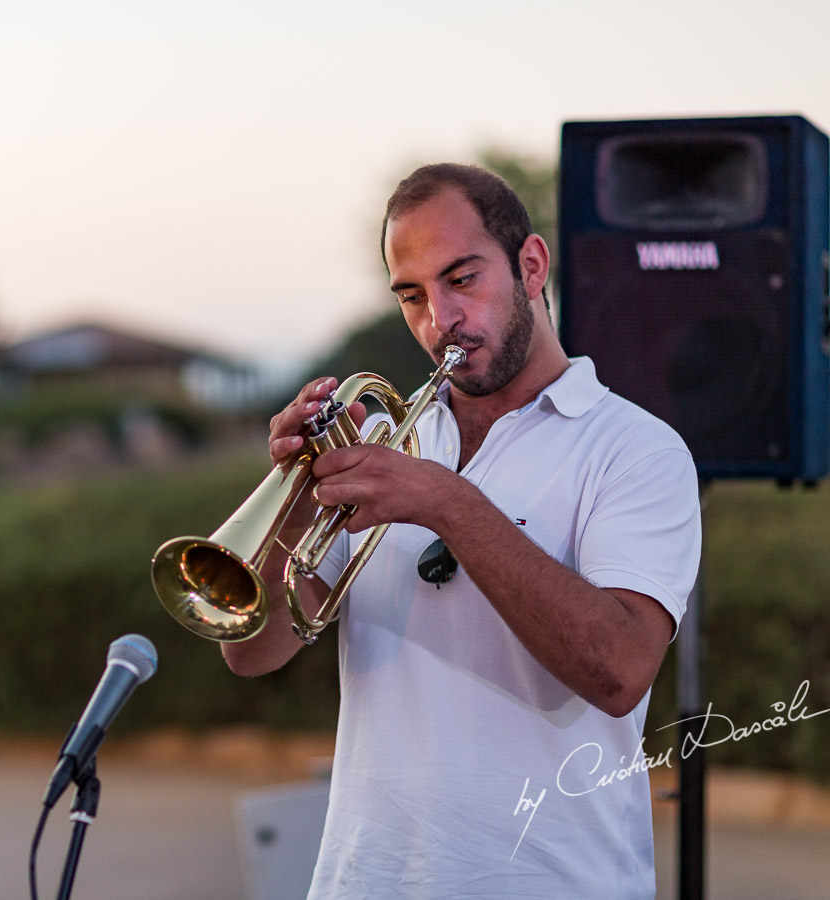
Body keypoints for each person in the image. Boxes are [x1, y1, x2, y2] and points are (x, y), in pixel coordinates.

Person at [222, 163, 701, 898]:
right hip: (365, 881)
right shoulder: (383, 436)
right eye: (412, 295)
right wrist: (295, 497)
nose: (438, 320)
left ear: (530, 266)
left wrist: (449, 502)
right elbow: (253, 652)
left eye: (462, 280)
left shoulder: (637, 449)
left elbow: (619, 668)